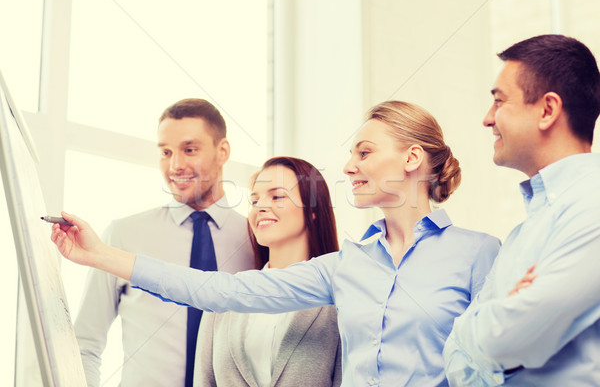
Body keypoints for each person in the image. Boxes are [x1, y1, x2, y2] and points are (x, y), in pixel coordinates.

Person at [52, 100, 500, 386]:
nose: (348, 166)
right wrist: (100, 254)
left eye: (363, 153)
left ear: (411, 159)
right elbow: (220, 292)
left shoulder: (479, 254)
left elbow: (497, 365)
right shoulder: (347, 266)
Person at [443, 34, 600, 386]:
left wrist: (482, 325)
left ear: (547, 110)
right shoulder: (521, 234)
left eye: (499, 102)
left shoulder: (594, 206)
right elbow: (452, 356)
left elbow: (512, 338)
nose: (487, 119)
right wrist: (494, 323)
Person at [73, 98, 254, 387]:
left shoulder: (255, 240)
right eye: (166, 152)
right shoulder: (123, 235)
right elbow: (85, 343)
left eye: (189, 150)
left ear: (223, 152)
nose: (176, 165)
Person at [195, 156, 342, 386]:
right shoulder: (223, 299)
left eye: (277, 196)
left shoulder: (340, 302)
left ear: (313, 210)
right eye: (254, 201)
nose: (260, 207)